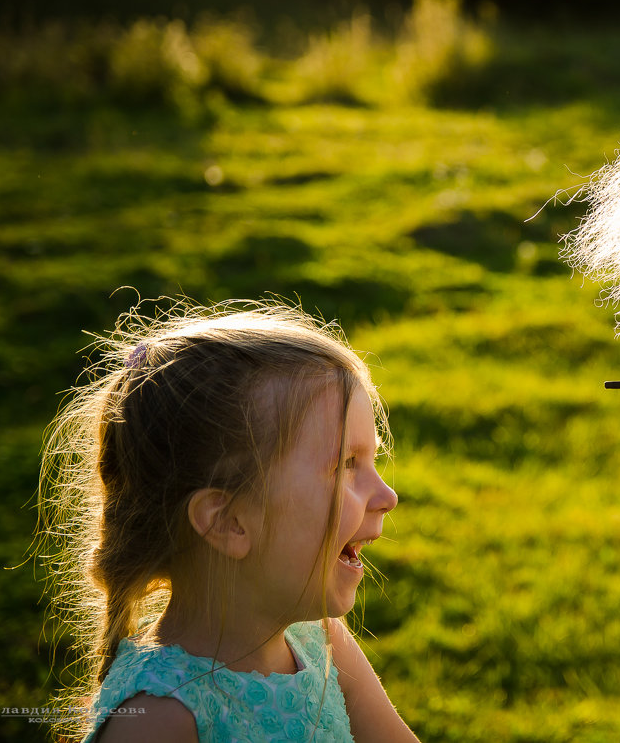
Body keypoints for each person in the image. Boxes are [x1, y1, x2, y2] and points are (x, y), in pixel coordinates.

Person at [39, 300, 420, 742]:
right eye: (346, 464)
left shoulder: (322, 646)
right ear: (229, 523)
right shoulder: (162, 717)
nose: (387, 497)